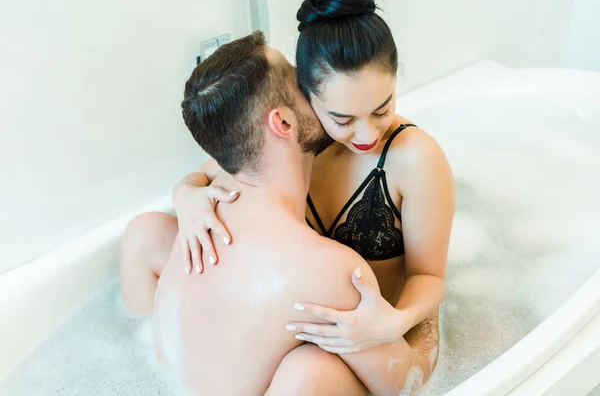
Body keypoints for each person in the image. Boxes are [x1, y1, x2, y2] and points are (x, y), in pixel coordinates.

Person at [121, 31, 437, 395]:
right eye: (297, 78)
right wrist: (428, 292)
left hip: (160, 380)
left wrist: (184, 191)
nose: (313, 85)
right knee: (313, 371)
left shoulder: (205, 203)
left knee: (146, 231)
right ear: (283, 123)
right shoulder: (326, 270)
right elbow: (408, 385)